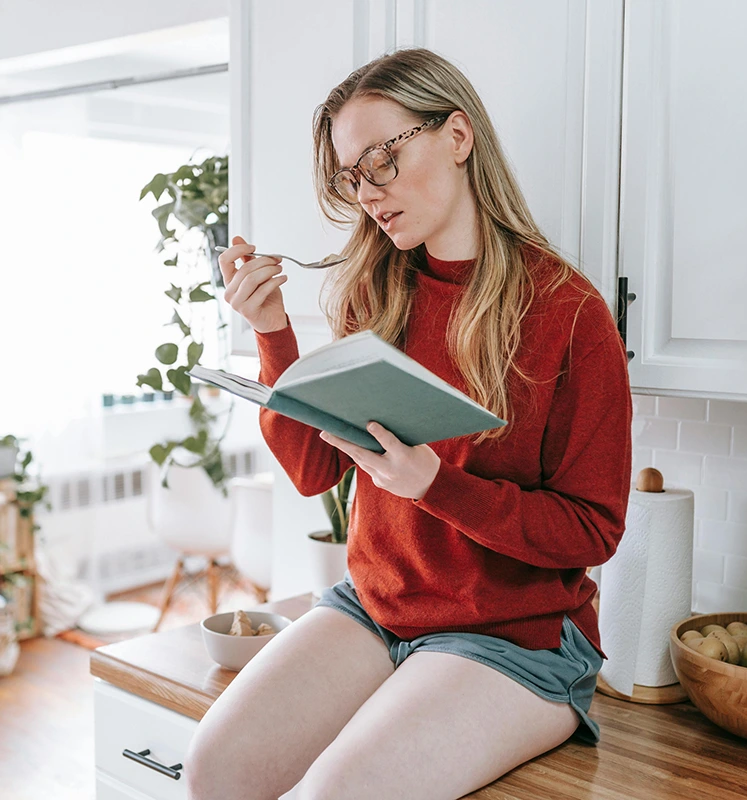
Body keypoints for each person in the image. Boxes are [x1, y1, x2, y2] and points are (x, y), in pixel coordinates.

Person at [186, 47, 632, 800]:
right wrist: (272, 333)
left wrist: (436, 486)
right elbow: (312, 472)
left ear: (457, 136)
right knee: (214, 768)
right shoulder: (377, 295)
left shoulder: (571, 315)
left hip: (517, 639)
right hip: (377, 606)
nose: (366, 193)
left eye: (382, 161)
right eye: (350, 175)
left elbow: (593, 532)